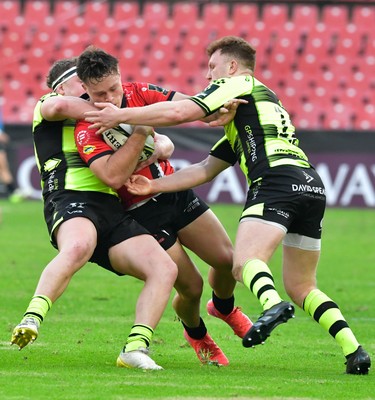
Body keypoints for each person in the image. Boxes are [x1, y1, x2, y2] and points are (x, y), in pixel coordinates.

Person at [85, 36, 371, 375]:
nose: (208, 78)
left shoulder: (238, 82)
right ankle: (355, 351)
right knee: (300, 285)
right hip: (311, 185)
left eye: (212, 69)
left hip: (275, 182)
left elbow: (182, 109)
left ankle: (269, 305)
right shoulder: (258, 107)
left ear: (232, 68)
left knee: (242, 262)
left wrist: (123, 115)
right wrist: (154, 184)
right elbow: (205, 169)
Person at [74, 46, 252, 366]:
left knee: (227, 261)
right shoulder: (86, 126)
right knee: (192, 287)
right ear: (84, 89)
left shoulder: (137, 92)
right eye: (100, 93)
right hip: (141, 212)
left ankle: (224, 308)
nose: (111, 98)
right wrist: (144, 135)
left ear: (120, 77)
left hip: (173, 193)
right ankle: (196, 333)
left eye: (114, 88)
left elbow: (189, 104)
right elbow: (114, 177)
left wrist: (217, 107)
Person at [10, 58, 179, 371]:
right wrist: (130, 114)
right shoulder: (50, 103)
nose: (91, 90)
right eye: (83, 82)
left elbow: (164, 143)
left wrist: (151, 135)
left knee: (164, 269)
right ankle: (32, 316)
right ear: (63, 86)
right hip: (69, 197)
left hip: (112, 206)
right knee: (78, 246)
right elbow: (59, 109)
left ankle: (135, 349)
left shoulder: (110, 115)